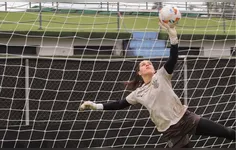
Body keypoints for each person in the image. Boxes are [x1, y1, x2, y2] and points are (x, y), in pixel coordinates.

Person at [78, 21, 236, 148]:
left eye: (149, 63)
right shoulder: (137, 93)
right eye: (143, 64)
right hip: (171, 130)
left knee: (227, 132)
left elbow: (173, 59)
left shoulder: (162, 75)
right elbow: (118, 104)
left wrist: (173, 38)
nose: (146, 64)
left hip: (186, 119)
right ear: (139, 72)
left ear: (154, 69)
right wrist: (94, 105)